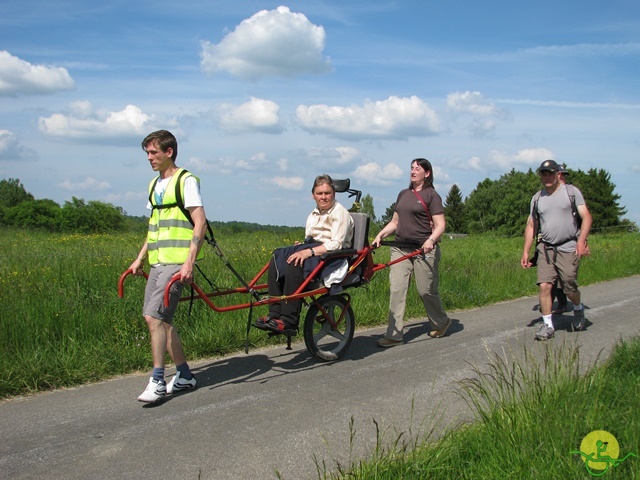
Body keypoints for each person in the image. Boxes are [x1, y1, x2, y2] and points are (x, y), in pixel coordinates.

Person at [130, 130, 206, 403]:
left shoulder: (185, 181)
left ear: (169, 152)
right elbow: (154, 227)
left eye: (153, 152)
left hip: (176, 262)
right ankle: (184, 374)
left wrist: (189, 263)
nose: (149, 158)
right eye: (147, 153)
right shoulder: (154, 185)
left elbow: (200, 222)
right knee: (161, 321)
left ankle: (158, 380)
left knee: (155, 319)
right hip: (157, 260)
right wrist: (140, 258)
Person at [255, 175, 354, 333]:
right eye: (319, 193)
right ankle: (274, 314)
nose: (323, 197)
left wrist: (308, 251)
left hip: (333, 256)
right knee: (277, 256)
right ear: (313, 195)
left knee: (296, 262)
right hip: (316, 251)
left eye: (327, 193)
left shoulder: (339, 212)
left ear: (334, 193)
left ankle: (289, 321)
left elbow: (336, 244)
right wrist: (303, 246)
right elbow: (311, 238)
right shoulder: (313, 214)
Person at [372, 158, 451, 348]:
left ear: (427, 173)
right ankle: (394, 335)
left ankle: (441, 322)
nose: (413, 171)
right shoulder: (403, 194)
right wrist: (380, 235)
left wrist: (431, 240)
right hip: (400, 248)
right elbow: (395, 222)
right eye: (412, 168)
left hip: (423, 250)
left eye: (418, 168)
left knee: (425, 291)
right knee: (397, 289)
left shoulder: (432, 195)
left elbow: (440, 225)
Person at [521, 159, 593, 341]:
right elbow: (531, 225)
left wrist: (581, 241)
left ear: (557, 174)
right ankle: (547, 325)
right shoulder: (537, 198)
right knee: (544, 285)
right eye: (543, 174)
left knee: (569, 287)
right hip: (546, 248)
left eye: (549, 173)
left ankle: (577, 308)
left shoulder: (571, 192)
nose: (546, 177)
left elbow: (587, 217)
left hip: (568, 246)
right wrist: (526, 251)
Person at [550, 164, 570, 314]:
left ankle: (571, 304)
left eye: (563, 175)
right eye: (560, 174)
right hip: (549, 243)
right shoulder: (547, 194)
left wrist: (583, 241)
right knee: (550, 278)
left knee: (565, 278)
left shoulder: (571, 194)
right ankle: (551, 307)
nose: (561, 177)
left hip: (569, 243)